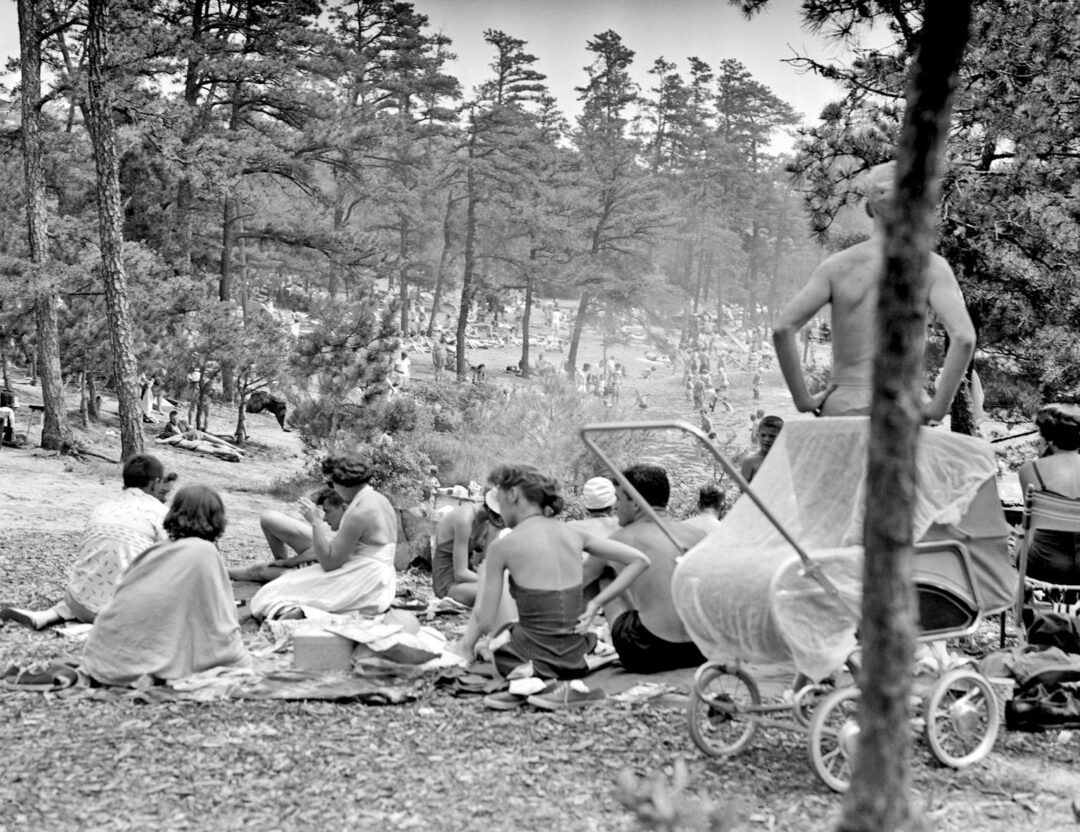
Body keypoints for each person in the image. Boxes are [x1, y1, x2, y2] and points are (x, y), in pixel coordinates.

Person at [773, 161, 976, 420]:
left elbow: (783, 328)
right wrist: (937, 407)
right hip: (902, 402)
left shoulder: (837, 266)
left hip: (845, 401)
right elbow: (964, 338)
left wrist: (803, 400)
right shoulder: (931, 267)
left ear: (870, 208)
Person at [462, 464, 650, 708]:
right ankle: (561, 681)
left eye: (500, 496)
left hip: (529, 659)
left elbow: (485, 621)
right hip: (574, 660)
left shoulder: (503, 546)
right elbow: (640, 560)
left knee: (499, 639)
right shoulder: (573, 533)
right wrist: (596, 603)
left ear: (513, 495)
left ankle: (530, 681)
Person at [81, 485, 251, 686]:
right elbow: (219, 619)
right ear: (217, 518)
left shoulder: (156, 550)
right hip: (138, 663)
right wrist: (239, 657)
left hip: (103, 655)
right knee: (236, 660)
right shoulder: (205, 552)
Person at [1, 454, 173, 630]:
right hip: (124, 610)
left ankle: (48, 616)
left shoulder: (103, 508)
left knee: (95, 574)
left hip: (79, 602)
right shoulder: (160, 513)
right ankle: (99, 625)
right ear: (155, 482)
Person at [584, 464, 707, 674]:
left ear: (635, 504)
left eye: (619, 499)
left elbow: (575, 582)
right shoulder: (697, 535)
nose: (615, 507)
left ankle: (570, 644)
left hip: (648, 652)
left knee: (605, 574)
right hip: (702, 650)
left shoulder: (620, 539)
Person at [249, 450, 398, 620]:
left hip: (363, 579)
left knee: (270, 594)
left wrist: (315, 521)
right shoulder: (379, 499)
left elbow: (329, 563)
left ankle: (306, 613)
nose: (332, 489)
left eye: (331, 484)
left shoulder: (358, 512)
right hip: (380, 578)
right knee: (285, 584)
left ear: (341, 483)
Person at [1017, 403, 1080, 585]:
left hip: (1042, 565)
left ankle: (1024, 598)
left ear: (1049, 439)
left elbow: (1030, 523)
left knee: (1021, 534)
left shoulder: (1030, 470)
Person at [228, 488, 347, 583]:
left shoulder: (357, 526)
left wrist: (289, 562)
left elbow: (324, 551)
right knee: (271, 518)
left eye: (327, 511)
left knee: (257, 570)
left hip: (322, 575)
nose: (325, 518)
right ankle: (278, 566)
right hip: (321, 559)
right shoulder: (352, 521)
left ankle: (219, 571)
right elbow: (325, 549)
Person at [431, 489, 504, 605]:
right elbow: (460, 573)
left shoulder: (489, 524)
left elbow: (485, 564)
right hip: (448, 583)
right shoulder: (464, 519)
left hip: (468, 581)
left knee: (506, 591)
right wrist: (493, 581)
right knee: (496, 592)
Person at [740, 415, 783, 483]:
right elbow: (743, 490)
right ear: (758, 436)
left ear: (781, 437)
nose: (766, 439)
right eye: (763, 435)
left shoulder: (785, 460)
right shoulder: (750, 461)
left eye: (772, 436)